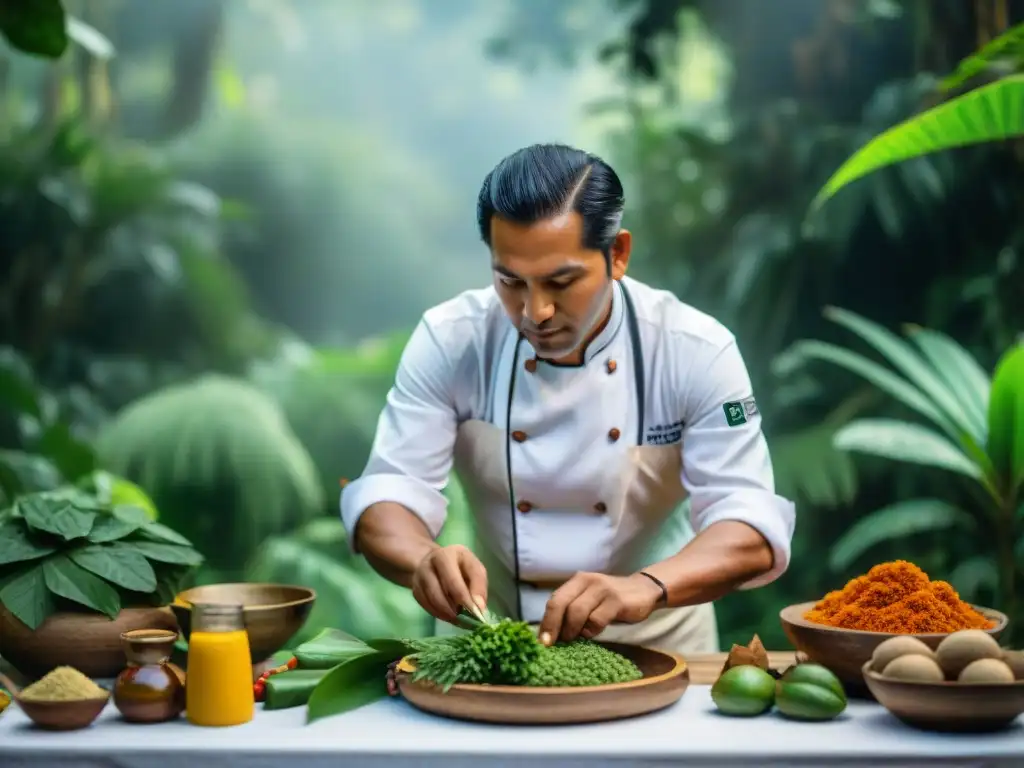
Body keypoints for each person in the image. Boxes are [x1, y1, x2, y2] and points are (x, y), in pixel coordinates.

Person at [340, 143, 796, 654]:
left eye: (561, 281)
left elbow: (750, 523)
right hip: (492, 644)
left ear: (617, 254)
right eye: (510, 281)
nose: (535, 311)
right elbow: (388, 494)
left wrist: (645, 588)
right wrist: (424, 559)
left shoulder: (695, 350)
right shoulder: (452, 340)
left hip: (662, 645)